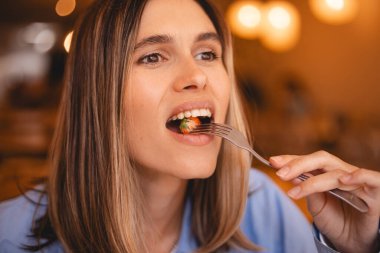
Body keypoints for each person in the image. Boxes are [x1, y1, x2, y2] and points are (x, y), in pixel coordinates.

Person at [0, 0, 379, 252]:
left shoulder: (261, 203)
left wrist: (355, 248)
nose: (197, 74)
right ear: (96, 93)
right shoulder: (8, 234)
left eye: (207, 53)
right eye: (152, 56)